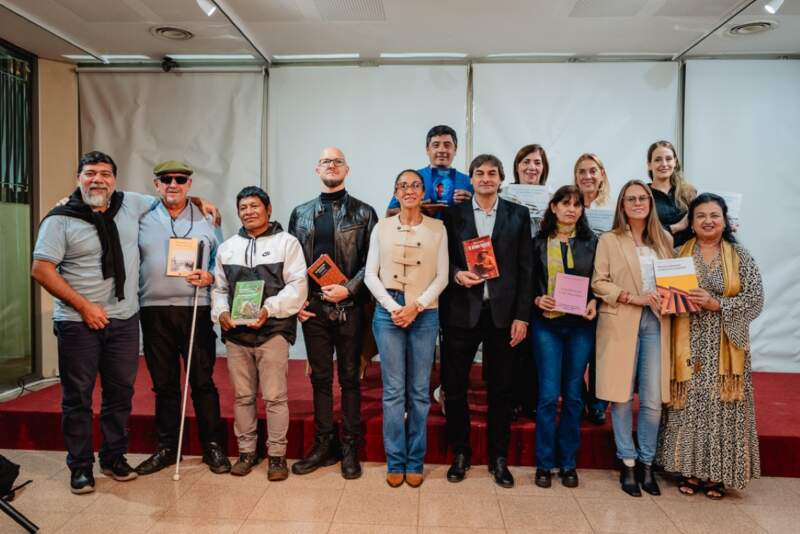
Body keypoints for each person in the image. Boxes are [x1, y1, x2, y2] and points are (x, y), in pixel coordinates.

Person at [31, 151, 217, 495]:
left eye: (104, 173)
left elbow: (172, 194)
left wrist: (200, 200)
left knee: (120, 394)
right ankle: (81, 466)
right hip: (77, 321)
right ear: (78, 178)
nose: (97, 179)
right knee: (78, 397)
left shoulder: (130, 204)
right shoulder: (60, 219)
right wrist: (85, 307)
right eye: (90, 173)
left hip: (124, 321)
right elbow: (41, 270)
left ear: (115, 180)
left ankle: (114, 457)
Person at [656, 193, 763, 498]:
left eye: (714, 215)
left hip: (725, 343)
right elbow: (666, 299)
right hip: (686, 342)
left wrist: (718, 304)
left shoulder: (740, 256)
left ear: (725, 220)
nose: (707, 221)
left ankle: (717, 475)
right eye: (700, 215)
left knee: (721, 409)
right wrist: (675, 301)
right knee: (688, 407)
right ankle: (688, 470)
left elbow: (755, 300)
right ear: (691, 221)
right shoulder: (677, 254)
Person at [441, 154, 533, 489]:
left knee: (501, 390)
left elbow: (527, 269)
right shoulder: (454, 215)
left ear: (501, 178)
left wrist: (523, 316)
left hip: (503, 315)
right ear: (471, 178)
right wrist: (456, 274)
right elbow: (444, 259)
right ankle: (461, 453)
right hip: (460, 313)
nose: (485, 178)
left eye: (492, 173)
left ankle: (498, 458)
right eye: (479, 173)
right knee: (453, 388)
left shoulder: (517, 214)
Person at [134, 160, 230, 476]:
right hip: (153, 310)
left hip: (195, 308)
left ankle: (213, 446)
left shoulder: (207, 217)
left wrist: (210, 277)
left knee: (202, 381)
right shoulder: (142, 215)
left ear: (190, 184)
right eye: (166, 179)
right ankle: (166, 448)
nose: (173, 184)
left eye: (180, 179)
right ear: (156, 184)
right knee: (164, 385)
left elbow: (222, 262)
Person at [288, 147, 377, 480]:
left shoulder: (365, 213)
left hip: (350, 309)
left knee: (351, 380)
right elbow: (292, 265)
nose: (332, 165)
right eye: (326, 161)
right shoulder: (300, 213)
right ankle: (325, 444)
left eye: (338, 161)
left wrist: (349, 290)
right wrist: (298, 302)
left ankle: (350, 447)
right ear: (317, 169)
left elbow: (371, 262)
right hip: (314, 310)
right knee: (320, 380)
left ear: (347, 169)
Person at [212, 186, 308, 481]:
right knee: (242, 397)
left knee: (275, 397)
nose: (249, 212)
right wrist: (221, 314)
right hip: (237, 335)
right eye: (243, 207)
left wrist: (269, 308)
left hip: (273, 331)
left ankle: (277, 457)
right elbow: (219, 289)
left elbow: (297, 287)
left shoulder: (286, 243)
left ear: (268, 208)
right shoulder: (227, 247)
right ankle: (246, 452)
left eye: (255, 206)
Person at [364, 169, 448, 488]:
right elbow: (371, 274)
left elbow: (442, 276)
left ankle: (416, 459)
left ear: (423, 192)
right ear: (395, 192)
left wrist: (416, 306)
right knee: (393, 391)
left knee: (418, 391)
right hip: (389, 312)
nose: (409, 190)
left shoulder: (438, 228)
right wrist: (394, 307)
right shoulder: (381, 227)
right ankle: (395, 460)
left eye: (415, 185)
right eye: (403, 186)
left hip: (425, 312)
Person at [591, 179, 673, 498]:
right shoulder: (610, 240)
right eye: (630, 199)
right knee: (621, 395)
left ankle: (647, 463)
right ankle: (627, 461)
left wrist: (675, 297)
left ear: (651, 203)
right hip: (622, 319)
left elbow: (678, 280)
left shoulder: (664, 239)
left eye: (643, 198)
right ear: (622, 205)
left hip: (658, 322)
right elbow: (599, 282)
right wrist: (630, 297)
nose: (637, 203)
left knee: (652, 400)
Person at [531, 185, 598, 489]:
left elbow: (600, 281)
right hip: (547, 324)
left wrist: (594, 301)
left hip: (580, 326)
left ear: (582, 211)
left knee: (572, 396)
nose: (571, 209)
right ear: (554, 207)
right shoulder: (537, 242)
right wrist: (536, 298)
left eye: (576, 204)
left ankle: (568, 463)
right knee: (547, 396)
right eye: (565, 203)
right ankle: (544, 464)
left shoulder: (592, 243)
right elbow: (528, 281)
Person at [504, 143, 551, 422]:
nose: (532, 167)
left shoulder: (553, 198)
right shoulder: (504, 196)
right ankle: (510, 398)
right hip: (511, 277)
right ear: (517, 166)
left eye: (537, 163)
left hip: (543, 276)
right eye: (526, 162)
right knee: (511, 341)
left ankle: (531, 398)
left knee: (536, 340)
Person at [572, 153, 611, 425]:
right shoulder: (569, 204)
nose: (587, 176)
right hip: (573, 285)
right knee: (574, 352)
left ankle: (598, 403)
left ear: (602, 174)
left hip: (604, 284)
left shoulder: (612, 207)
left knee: (601, 351)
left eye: (592, 171)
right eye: (582, 171)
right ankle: (580, 397)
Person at [386, 125, 473, 218]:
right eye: (436, 145)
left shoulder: (468, 182)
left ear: (455, 150)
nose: (442, 150)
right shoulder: (412, 178)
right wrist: (417, 209)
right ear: (427, 150)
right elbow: (389, 214)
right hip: (420, 232)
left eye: (447, 145)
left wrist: (472, 203)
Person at [646, 141, 697, 244]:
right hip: (657, 255)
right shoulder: (643, 195)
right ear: (649, 165)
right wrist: (677, 227)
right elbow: (640, 233)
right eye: (658, 160)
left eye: (668, 159)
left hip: (689, 255)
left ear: (675, 162)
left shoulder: (689, 192)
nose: (664, 164)